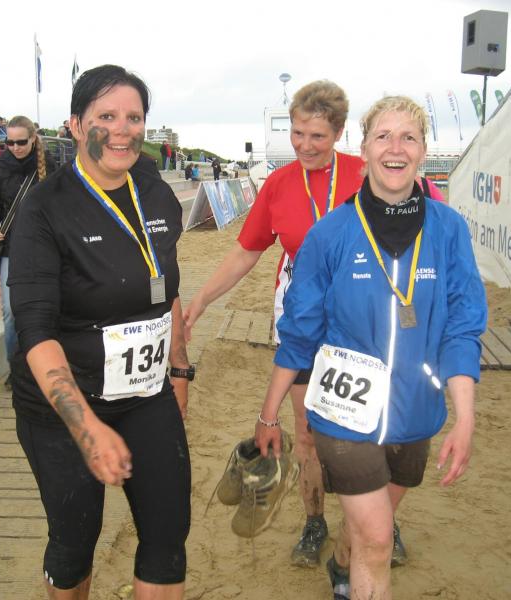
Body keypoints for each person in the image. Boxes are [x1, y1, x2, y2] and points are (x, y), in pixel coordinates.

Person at [254, 95, 487, 599]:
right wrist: (269, 414)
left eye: (408, 137)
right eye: (383, 136)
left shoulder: (448, 230)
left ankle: (342, 560)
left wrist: (465, 419)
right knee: (379, 540)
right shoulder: (330, 234)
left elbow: (462, 328)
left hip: (416, 412)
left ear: (423, 151)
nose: (395, 148)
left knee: (365, 534)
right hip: (344, 414)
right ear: (364, 149)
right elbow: (299, 333)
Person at [7, 64, 192, 599]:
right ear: (75, 125)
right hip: (63, 407)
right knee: (75, 541)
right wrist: (86, 428)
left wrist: (180, 369)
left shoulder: (155, 193)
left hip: (145, 395)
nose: (122, 130)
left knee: (168, 533)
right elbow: (35, 330)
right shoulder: (44, 208)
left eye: (133, 117)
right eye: (105, 117)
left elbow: (166, 289)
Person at [184, 80, 364, 567]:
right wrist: (201, 299)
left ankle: (375, 520)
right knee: (306, 430)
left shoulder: (365, 175)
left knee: (365, 429)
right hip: (303, 321)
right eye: (298, 133)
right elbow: (246, 252)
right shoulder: (281, 183)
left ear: (339, 133)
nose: (305, 145)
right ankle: (314, 520)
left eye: (318, 136)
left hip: (360, 324)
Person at [0, 116, 57, 367]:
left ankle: (42, 364)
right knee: (10, 312)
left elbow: (60, 206)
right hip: (11, 247)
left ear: (33, 138)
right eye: (10, 142)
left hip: (44, 247)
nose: (15, 147)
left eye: (21, 142)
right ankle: (16, 368)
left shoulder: (49, 165)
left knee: (47, 309)